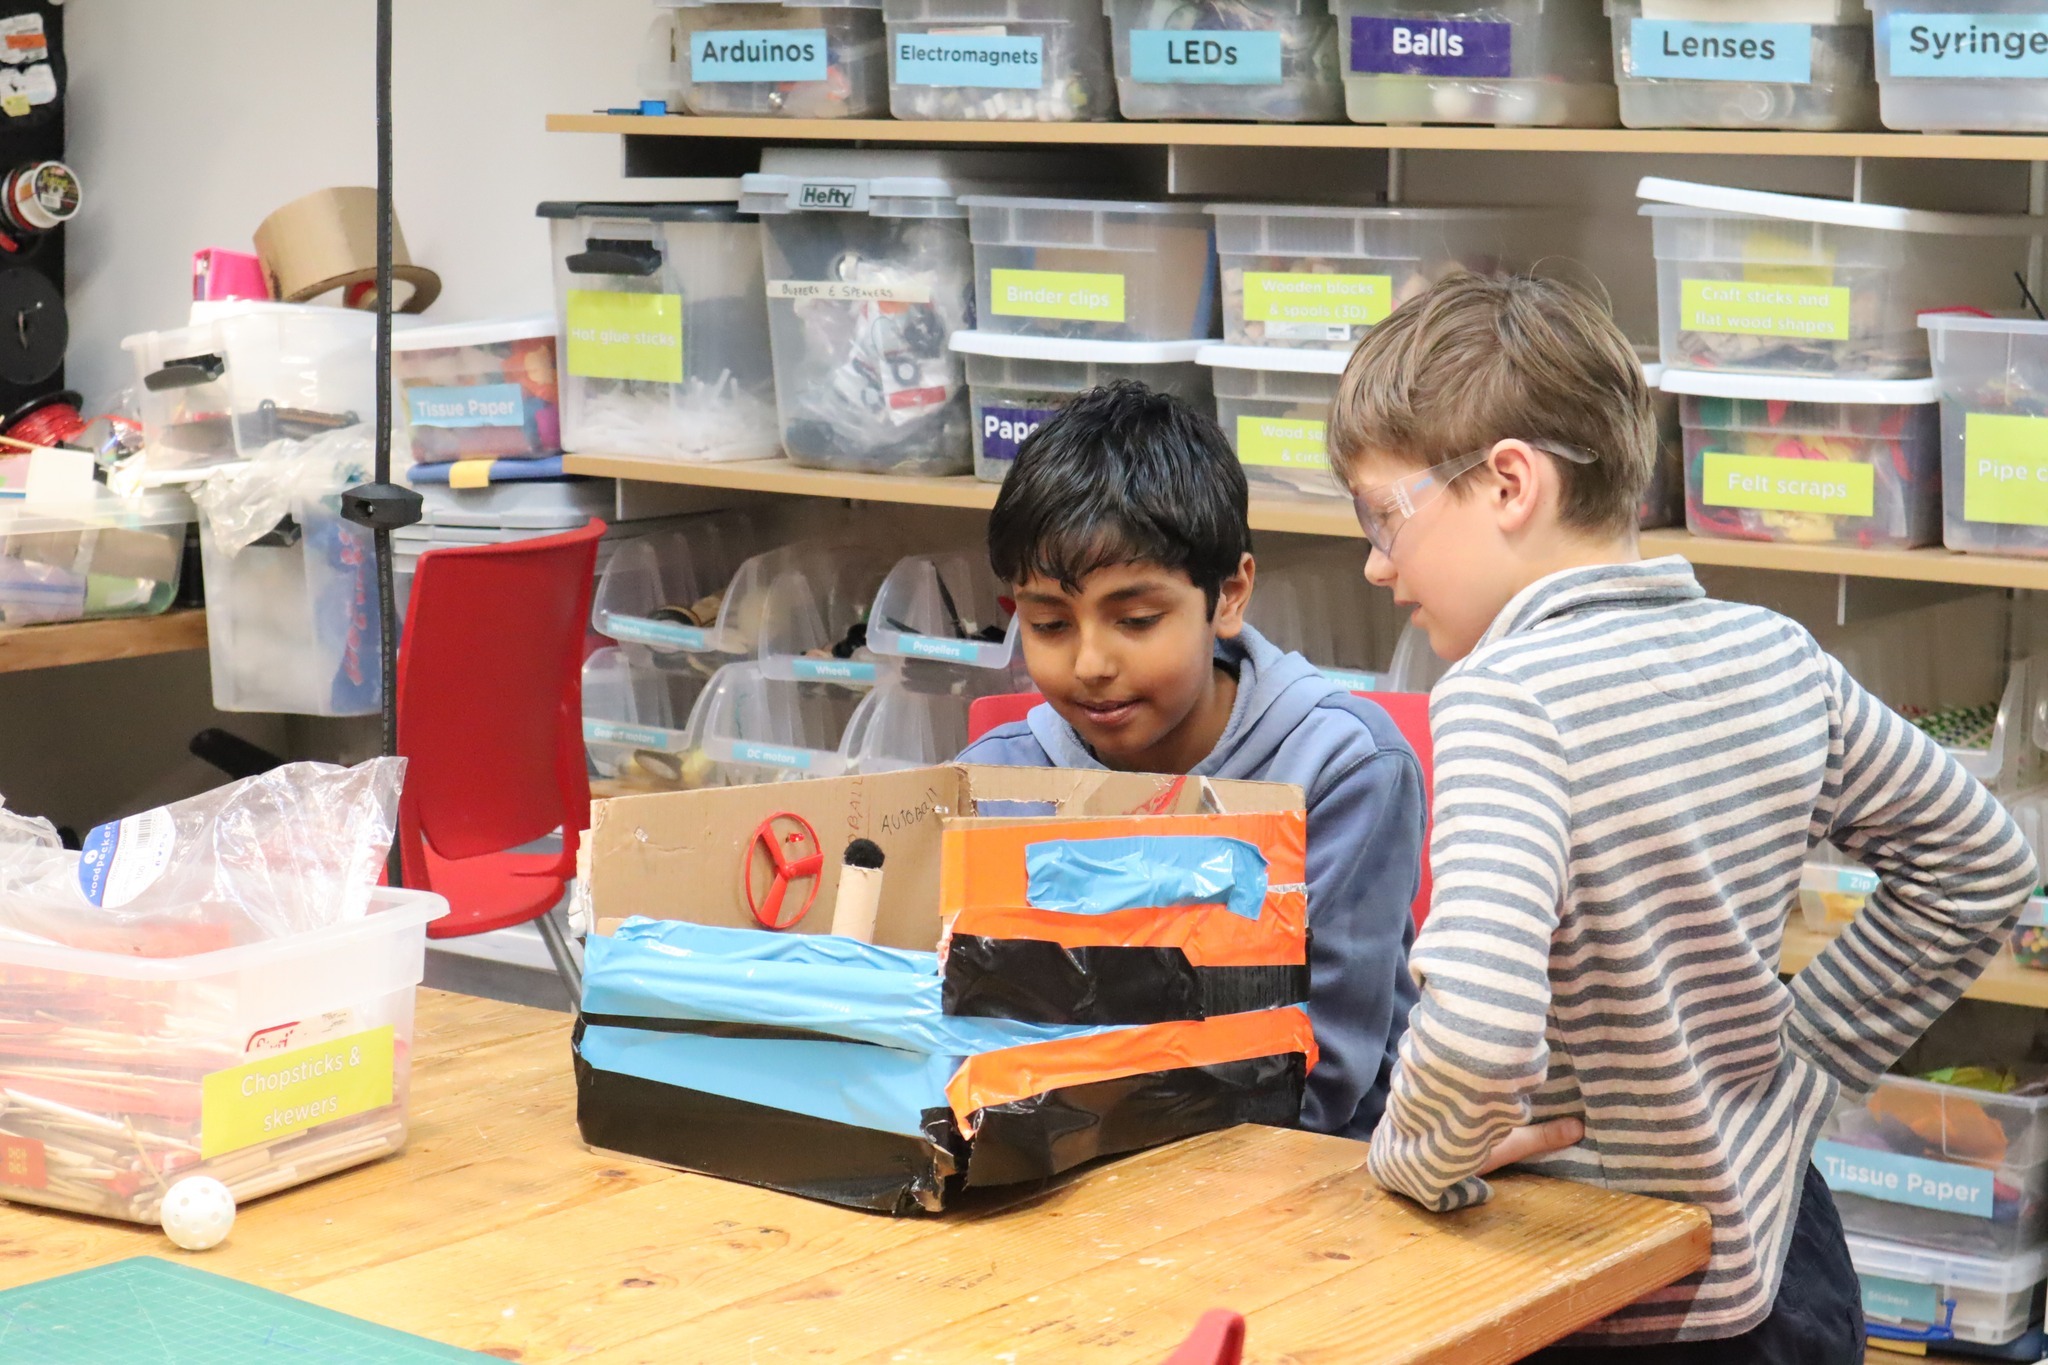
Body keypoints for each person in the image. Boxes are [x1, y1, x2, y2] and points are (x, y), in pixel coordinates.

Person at [1336, 272, 2038, 1361]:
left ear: (1508, 484)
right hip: (1781, 1262)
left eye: (1384, 518)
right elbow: (1982, 864)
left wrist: (1412, 1156)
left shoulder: (1499, 699)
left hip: (1595, 1289)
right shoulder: (1773, 655)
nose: (1378, 565)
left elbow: (1475, 1031)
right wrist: (1802, 1065)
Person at [956, 380, 1427, 1141]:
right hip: (1062, 1167)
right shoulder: (1000, 780)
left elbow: (1324, 1073)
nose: (1090, 663)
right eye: (1047, 623)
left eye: (1136, 619)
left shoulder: (1341, 769)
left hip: (1306, 1178)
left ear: (1229, 594)